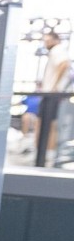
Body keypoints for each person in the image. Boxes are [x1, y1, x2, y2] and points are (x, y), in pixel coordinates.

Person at [20, 30, 70, 158]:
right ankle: (44, 153)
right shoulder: (57, 51)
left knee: (45, 123)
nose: (45, 43)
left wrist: (54, 86)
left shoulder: (57, 50)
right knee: (44, 122)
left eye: (47, 40)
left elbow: (64, 65)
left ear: (55, 40)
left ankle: (45, 154)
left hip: (52, 94)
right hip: (51, 93)